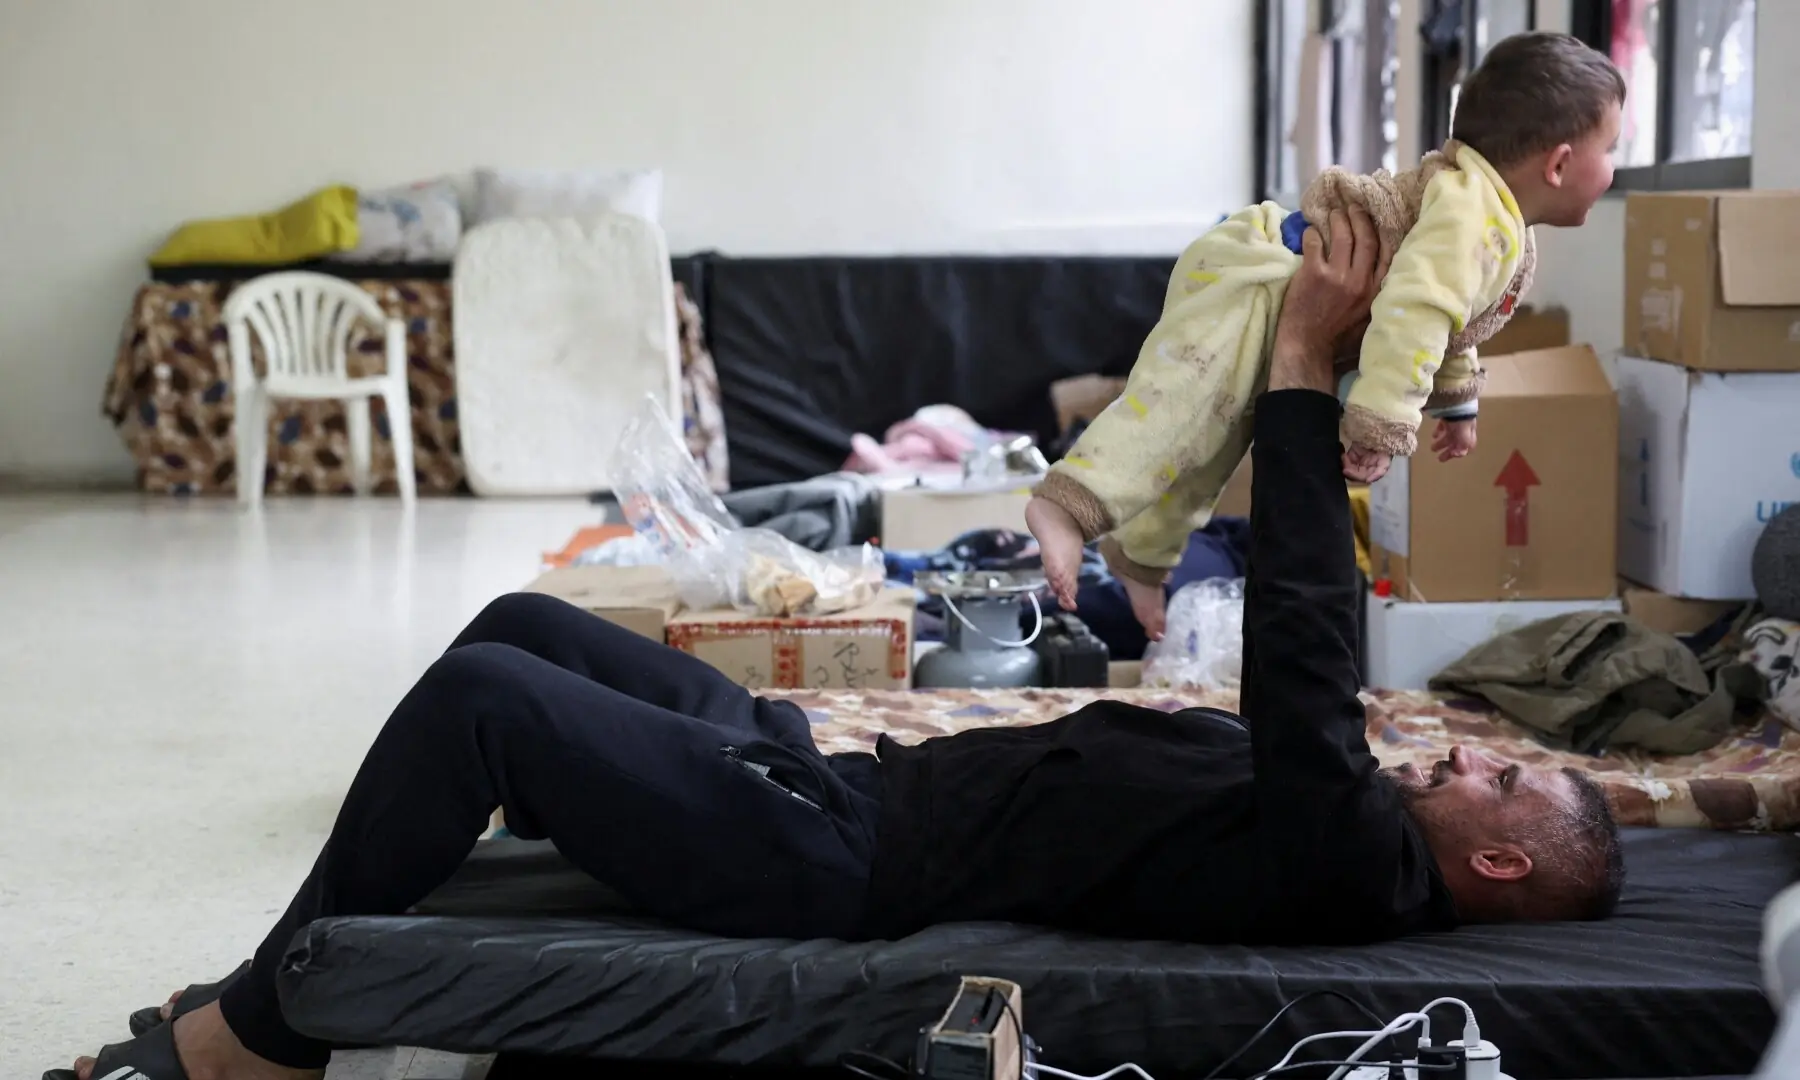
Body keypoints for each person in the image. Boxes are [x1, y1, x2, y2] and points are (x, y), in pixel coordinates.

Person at [52, 206, 1625, 1080]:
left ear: (1495, 866)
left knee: (483, 699)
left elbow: (1299, 641)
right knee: (526, 621)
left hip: (824, 864)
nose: (1478, 754)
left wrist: (1300, 371)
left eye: (1502, 786)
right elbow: (1263, 682)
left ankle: (265, 1027)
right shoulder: (1352, 833)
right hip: (834, 782)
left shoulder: (1361, 859)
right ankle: (345, 936)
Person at [1027, 32, 1625, 639]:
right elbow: (1417, 310)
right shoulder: (1475, 214)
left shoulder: (1496, 222)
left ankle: (1142, 560)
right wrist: (1378, 425)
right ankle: (1066, 504)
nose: (1615, 167)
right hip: (1259, 272)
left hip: (1283, 289)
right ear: (1558, 163)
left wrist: (1457, 401)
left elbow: (1450, 320)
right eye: (1612, 148)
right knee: (1176, 411)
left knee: (1208, 445)